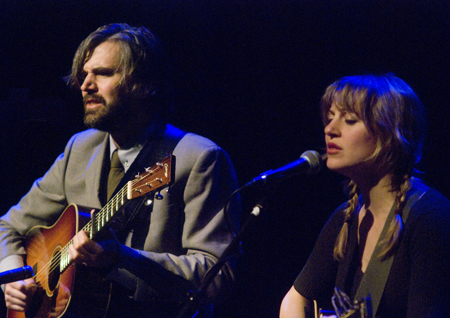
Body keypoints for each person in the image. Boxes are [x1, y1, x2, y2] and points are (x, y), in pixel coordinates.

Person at [0, 23, 240, 318]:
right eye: (84, 74)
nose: (85, 85)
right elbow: (7, 226)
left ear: (144, 84)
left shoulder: (198, 158)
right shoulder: (81, 148)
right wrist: (15, 276)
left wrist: (121, 260)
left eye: (102, 73)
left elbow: (217, 277)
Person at [280, 74, 450, 318]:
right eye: (329, 118)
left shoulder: (430, 219)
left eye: (349, 120)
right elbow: (295, 299)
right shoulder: (345, 217)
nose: (329, 129)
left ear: (390, 134)